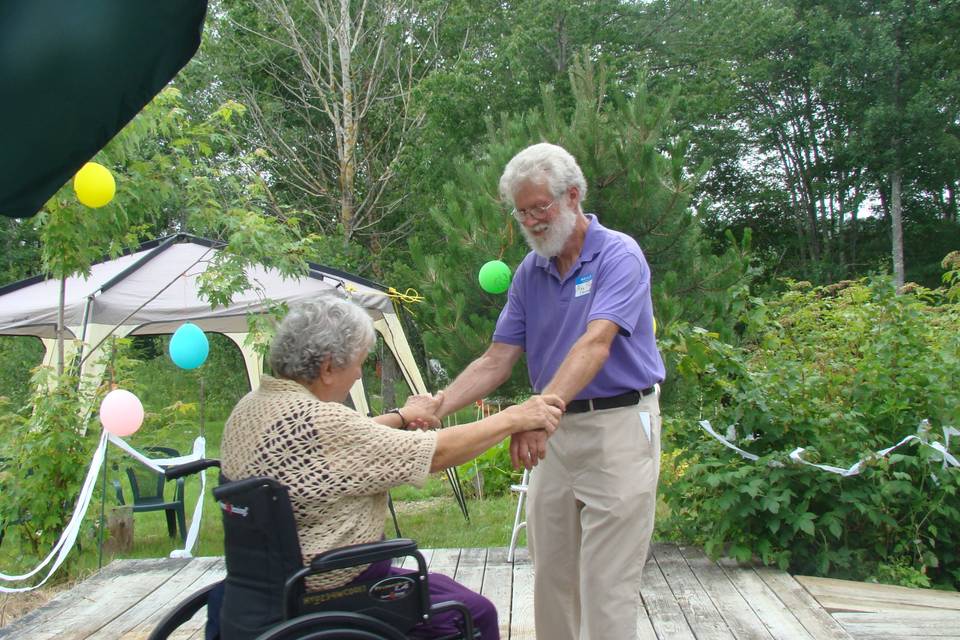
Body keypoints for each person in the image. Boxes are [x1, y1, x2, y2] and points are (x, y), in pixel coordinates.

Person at [219, 293, 563, 640]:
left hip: (259, 595)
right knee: (474, 613)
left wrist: (401, 416)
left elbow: (344, 444)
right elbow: (437, 453)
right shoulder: (320, 420)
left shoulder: (253, 407)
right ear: (326, 367)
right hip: (334, 592)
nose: (357, 376)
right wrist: (514, 417)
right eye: (358, 363)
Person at [435, 142, 666, 640]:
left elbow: (595, 343)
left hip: (617, 427)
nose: (533, 222)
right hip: (555, 434)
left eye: (540, 207)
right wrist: (438, 405)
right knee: (552, 579)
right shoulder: (529, 272)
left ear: (573, 196)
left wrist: (538, 413)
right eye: (522, 213)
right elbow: (497, 358)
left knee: (607, 585)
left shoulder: (619, 254)